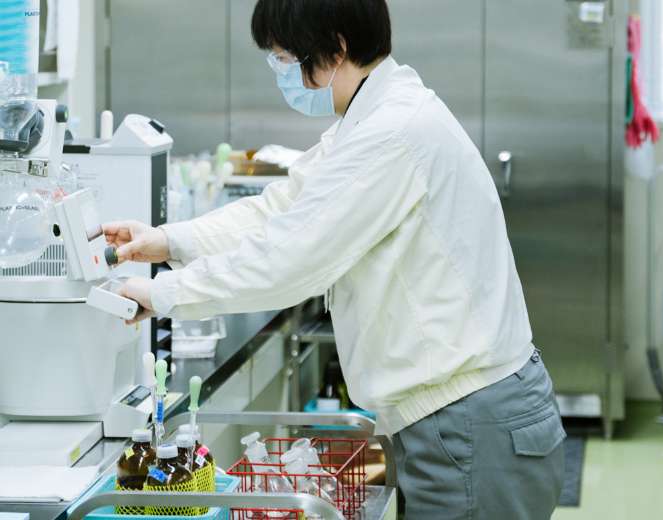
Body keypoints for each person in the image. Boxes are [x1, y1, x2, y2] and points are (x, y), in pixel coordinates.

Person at [103, 0, 565, 517]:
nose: (281, 72)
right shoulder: (372, 116)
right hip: (459, 417)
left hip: (470, 423)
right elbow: (282, 209)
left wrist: (162, 293)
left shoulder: (391, 132)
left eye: (285, 57)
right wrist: (169, 241)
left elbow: (290, 259)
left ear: (336, 47)